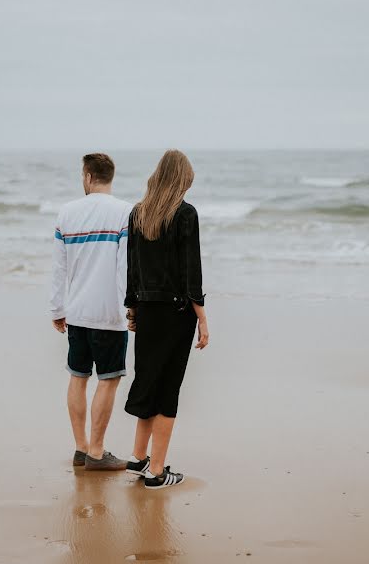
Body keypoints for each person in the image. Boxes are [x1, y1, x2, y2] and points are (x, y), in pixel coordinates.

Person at [123, 149, 210, 489]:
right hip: (176, 312)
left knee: (147, 381)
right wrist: (201, 315)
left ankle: (137, 457)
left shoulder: (138, 214)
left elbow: (132, 268)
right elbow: (191, 270)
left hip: (146, 310)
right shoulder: (185, 214)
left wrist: (133, 307)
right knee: (167, 389)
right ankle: (157, 472)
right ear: (182, 180)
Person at [49, 153, 133, 471]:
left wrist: (58, 309)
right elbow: (126, 266)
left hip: (77, 312)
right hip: (110, 313)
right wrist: (131, 307)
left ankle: (81, 448)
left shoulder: (67, 213)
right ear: (109, 177)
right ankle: (97, 452)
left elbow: (59, 269)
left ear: (87, 177)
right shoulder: (126, 213)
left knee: (78, 377)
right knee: (108, 380)